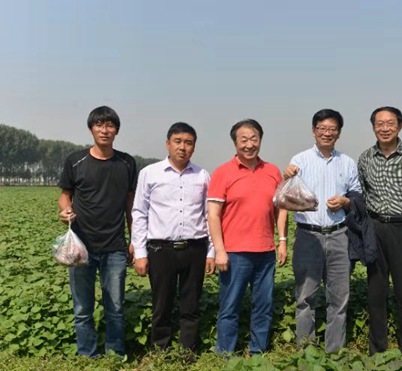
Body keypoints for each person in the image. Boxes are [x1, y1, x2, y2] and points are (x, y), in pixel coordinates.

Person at [58, 106, 137, 357]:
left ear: (117, 131)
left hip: (114, 246)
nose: (105, 130)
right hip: (81, 247)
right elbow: (65, 195)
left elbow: (130, 204)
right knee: (83, 308)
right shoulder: (75, 161)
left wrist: (134, 239)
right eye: (99, 125)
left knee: (116, 307)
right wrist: (65, 210)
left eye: (110, 125)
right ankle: (87, 355)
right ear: (91, 129)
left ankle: (115, 355)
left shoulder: (126, 162)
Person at [131, 122, 215, 356]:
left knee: (191, 304)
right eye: (178, 141)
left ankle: (188, 351)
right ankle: (160, 351)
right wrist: (140, 252)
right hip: (161, 249)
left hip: (195, 248)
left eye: (188, 143)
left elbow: (209, 215)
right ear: (167, 144)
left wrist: (211, 251)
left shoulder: (202, 175)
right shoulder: (150, 173)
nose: (182, 147)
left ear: (194, 147)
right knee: (161, 303)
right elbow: (139, 212)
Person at [283, 109, 362, 353]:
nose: (327, 133)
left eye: (332, 129)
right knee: (305, 297)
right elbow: (286, 198)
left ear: (339, 133)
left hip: (339, 234)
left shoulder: (347, 163)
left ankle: (334, 351)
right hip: (308, 235)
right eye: (322, 129)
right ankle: (306, 350)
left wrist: (345, 202)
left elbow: (357, 197)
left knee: (339, 298)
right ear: (314, 131)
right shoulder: (300, 161)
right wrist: (287, 177)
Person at [207, 119, 288, 355]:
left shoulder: (272, 171)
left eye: (254, 139)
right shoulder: (223, 172)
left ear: (260, 140)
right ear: (235, 143)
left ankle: (258, 352)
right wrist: (219, 250)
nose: (249, 144)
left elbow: (281, 209)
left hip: (265, 252)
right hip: (235, 253)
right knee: (230, 305)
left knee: (263, 305)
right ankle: (225, 353)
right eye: (244, 140)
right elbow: (213, 215)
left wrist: (282, 241)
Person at [358, 106, 402, 355]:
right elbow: (363, 195)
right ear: (373, 127)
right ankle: (377, 350)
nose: (385, 128)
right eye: (379, 124)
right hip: (376, 228)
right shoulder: (365, 158)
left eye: (390, 123)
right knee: (376, 292)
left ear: (399, 126)